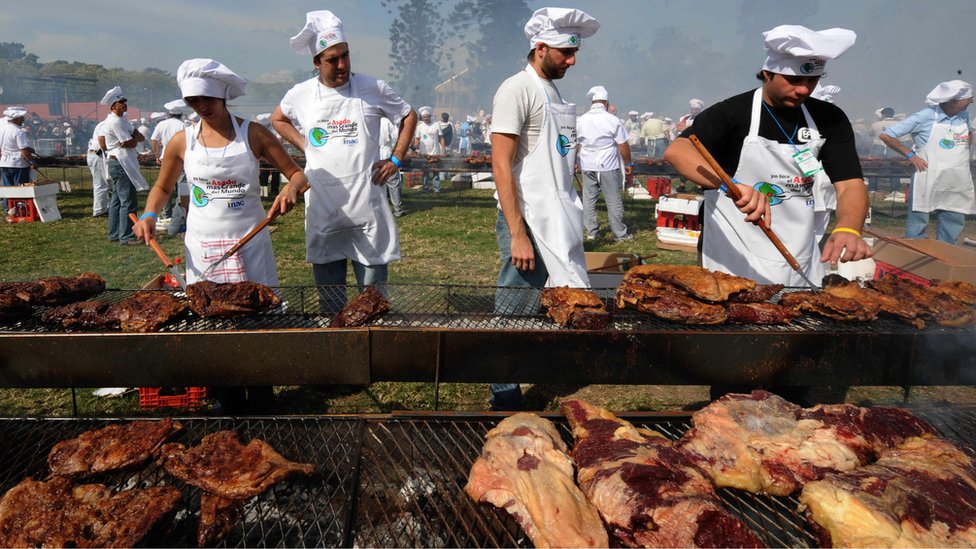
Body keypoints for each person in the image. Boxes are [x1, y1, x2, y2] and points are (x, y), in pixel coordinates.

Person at [133, 59, 308, 414]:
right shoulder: (183, 142)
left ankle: (261, 396)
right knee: (213, 324)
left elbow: (297, 174)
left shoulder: (254, 134)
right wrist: (150, 214)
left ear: (222, 96)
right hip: (203, 246)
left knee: (257, 319)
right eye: (193, 102)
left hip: (251, 242)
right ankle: (226, 398)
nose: (201, 107)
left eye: (206, 99)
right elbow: (163, 186)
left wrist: (290, 191)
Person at [663, 24, 871, 287]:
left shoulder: (830, 119)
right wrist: (731, 186)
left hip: (799, 249)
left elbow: (850, 183)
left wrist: (849, 228)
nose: (804, 90)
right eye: (795, 80)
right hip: (734, 252)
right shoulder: (733, 113)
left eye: (812, 80)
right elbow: (678, 150)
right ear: (767, 74)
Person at [490, 6, 599, 410]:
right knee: (515, 306)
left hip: (556, 213)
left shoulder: (553, 91)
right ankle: (502, 395)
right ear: (539, 49)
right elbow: (501, 163)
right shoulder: (515, 89)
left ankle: (532, 367)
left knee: (545, 302)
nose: (571, 61)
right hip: (528, 218)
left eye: (574, 54)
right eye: (564, 54)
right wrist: (517, 233)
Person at [272, 9, 417, 305]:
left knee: (373, 300)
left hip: (367, 206)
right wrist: (306, 146)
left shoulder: (372, 88)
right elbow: (278, 119)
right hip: (324, 208)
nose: (342, 65)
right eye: (332, 59)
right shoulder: (300, 94)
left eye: (345, 56)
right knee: (330, 301)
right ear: (316, 63)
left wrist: (396, 159)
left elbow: (408, 115)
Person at [880, 80, 974, 244]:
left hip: (956, 179)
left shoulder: (964, 116)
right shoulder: (926, 116)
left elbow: (969, 134)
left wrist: (965, 151)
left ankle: (944, 260)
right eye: (969, 99)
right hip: (928, 175)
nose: (971, 102)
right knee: (918, 222)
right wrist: (911, 156)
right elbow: (887, 135)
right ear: (953, 100)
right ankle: (915, 256)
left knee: (953, 222)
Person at [576, 85, 633, 242]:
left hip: (587, 164)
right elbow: (623, 145)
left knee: (589, 199)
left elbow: (575, 144)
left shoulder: (581, 120)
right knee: (613, 199)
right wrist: (628, 164)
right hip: (608, 165)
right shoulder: (612, 120)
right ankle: (620, 234)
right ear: (606, 103)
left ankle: (592, 232)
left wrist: (574, 162)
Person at [98, 86, 150, 244]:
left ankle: (115, 233)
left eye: (125, 101)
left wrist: (133, 139)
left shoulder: (121, 120)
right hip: (121, 163)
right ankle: (126, 236)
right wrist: (133, 139)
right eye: (121, 102)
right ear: (113, 106)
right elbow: (129, 142)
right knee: (127, 201)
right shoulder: (115, 122)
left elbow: (139, 137)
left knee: (117, 201)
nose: (124, 104)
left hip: (121, 161)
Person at [150, 99, 189, 220]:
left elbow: (154, 140)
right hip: (181, 159)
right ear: (181, 114)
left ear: (169, 113)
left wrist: (157, 155)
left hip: (165, 158)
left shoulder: (162, 124)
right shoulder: (183, 125)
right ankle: (180, 213)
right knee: (181, 187)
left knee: (165, 186)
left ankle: (166, 213)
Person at [0, 107, 34, 216]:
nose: (23, 120)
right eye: (21, 118)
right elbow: (23, 150)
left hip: (5, 163)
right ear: (16, 119)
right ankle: (19, 210)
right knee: (20, 188)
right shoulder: (18, 132)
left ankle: (8, 211)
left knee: (8, 189)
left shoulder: (2, 129)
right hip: (18, 164)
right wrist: (32, 162)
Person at [379, 116, 405, 217]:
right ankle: (398, 210)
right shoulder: (388, 121)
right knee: (393, 184)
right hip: (387, 153)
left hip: (374, 155)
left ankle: (382, 209)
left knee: (378, 182)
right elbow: (396, 138)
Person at [413, 106, 443, 192]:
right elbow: (417, 139)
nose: (426, 118)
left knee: (435, 170)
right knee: (425, 171)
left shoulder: (436, 125)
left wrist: (443, 150)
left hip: (435, 152)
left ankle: (436, 188)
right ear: (422, 118)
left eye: (427, 116)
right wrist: (414, 148)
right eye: (424, 117)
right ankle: (425, 188)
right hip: (424, 153)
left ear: (430, 116)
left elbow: (441, 138)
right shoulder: (420, 126)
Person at [86, 117, 110, 217]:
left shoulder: (103, 123)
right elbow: (102, 140)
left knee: (104, 183)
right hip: (98, 154)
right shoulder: (106, 125)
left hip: (96, 154)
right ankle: (99, 210)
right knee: (101, 184)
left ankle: (105, 207)